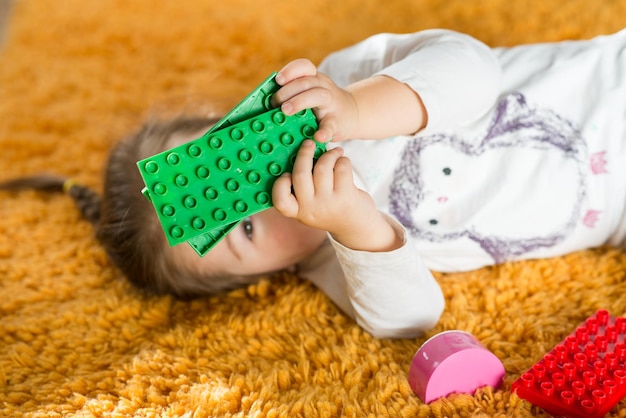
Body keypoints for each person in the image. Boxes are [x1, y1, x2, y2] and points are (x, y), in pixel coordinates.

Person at [2, 28, 625, 338]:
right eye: (242, 229)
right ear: (260, 278)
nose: (265, 197)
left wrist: (356, 109)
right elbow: (413, 318)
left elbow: (472, 66)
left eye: (229, 167)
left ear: (237, 124)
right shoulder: (333, 260)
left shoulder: (338, 87)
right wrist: (357, 226)